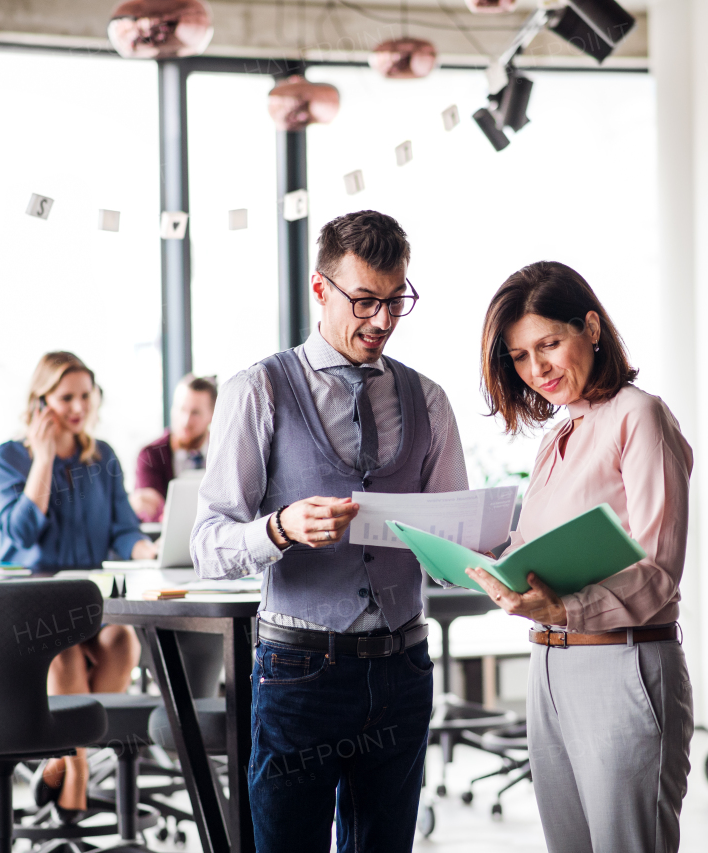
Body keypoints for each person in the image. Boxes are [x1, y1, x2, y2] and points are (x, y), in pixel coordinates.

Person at [191, 210, 468, 852]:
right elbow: (208, 543)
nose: (382, 321)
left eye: (396, 301)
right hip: (299, 669)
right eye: (365, 301)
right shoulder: (258, 389)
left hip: (401, 667)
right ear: (321, 289)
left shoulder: (430, 401)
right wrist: (280, 528)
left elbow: (454, 544)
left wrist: (474, 553)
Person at [469, 261, 695, 853]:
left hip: (622, 663)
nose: (536, 368)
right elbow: (535, 555)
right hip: (548, 667)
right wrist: (486, 563)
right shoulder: (555, 438)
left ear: (590, 327)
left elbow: (659, 574)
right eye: (520, 356)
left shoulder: (638, 416)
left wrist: (566, 609)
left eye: (549, 344)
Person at [0, 351, 157, 816]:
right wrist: (42, 462)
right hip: (29, 611)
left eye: (86, 395)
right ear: (40, 401)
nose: (79, 406)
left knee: (123, 640)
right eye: (66, 397)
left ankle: (63, 760)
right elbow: (18, 533)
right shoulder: (9, 458)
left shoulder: (101, 457)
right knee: (61, 650)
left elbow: (123, 528)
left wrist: (145, 549)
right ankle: (77, 776)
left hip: (90, 604)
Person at [130, 373, 218, 522]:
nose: (185, 421)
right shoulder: (150, 456)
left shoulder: (222, 452)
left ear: (213, 415)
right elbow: (152, 514)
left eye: (195, 413)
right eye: (181, 409)